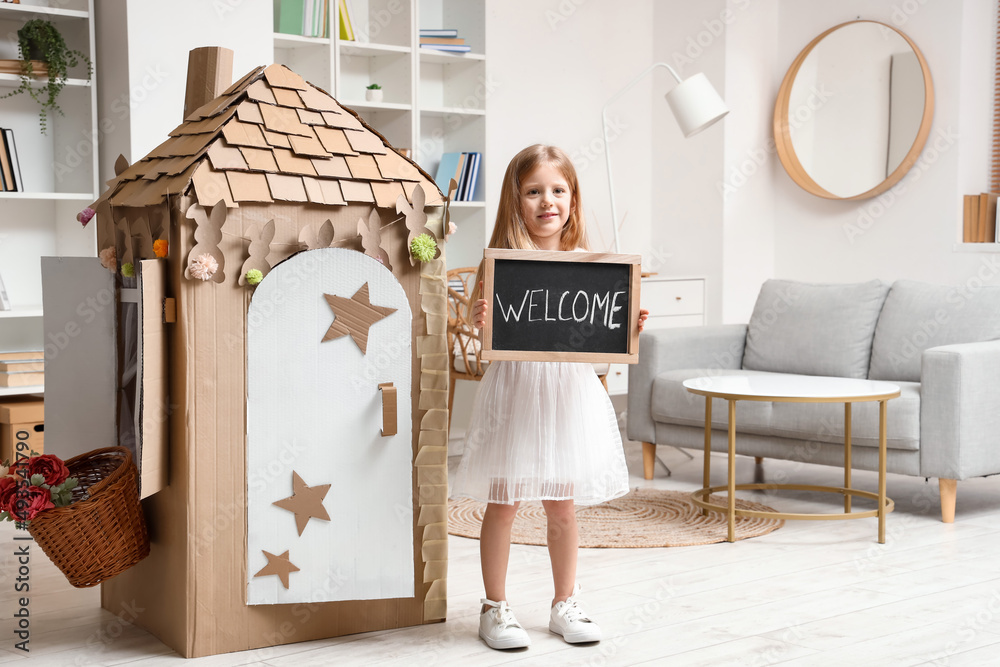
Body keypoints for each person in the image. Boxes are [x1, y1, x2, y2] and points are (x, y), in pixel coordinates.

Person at [451, 144, 649, 650]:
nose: (547, 201)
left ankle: (565, 602)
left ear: (573, 199)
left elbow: (600, 352)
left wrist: (625, 327)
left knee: (562, 505)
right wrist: (481, 324)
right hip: (517, 392)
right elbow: (488, 343)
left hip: (567, 395)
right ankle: (494, 606)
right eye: (533, 191)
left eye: (558, 190)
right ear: (515, 202)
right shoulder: (503, 265)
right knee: (504, 501)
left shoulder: (591, 267)